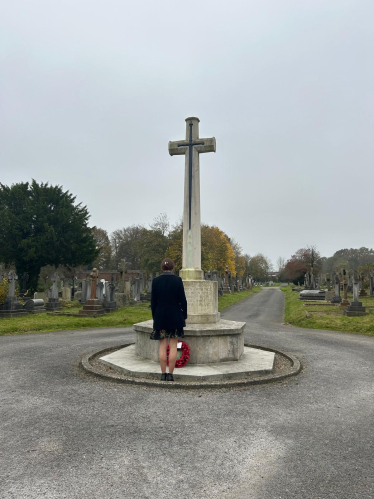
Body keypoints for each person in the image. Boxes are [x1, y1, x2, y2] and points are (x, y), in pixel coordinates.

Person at [150, 258, 187, 381]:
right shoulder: (177, 280)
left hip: (160, 316)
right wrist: (184, 315)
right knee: (173, 346)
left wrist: (155, 316)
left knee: (162, 346)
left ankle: (162, 374)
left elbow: (153, 302)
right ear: (173, 268)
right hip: (175, 315)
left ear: (162, 268)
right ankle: (170, 374)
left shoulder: (156, 281)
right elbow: (183, 300)